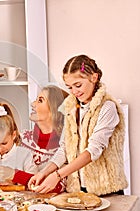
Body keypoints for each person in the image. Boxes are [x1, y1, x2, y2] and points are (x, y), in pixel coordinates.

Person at [28, 55, 128, 196]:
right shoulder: (70, 107)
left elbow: (93, 151)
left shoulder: (107, 107)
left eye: (78, 85)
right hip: (79, 189)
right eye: (70, 87)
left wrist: (57, 175)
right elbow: (64, 148)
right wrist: (44, 172)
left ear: (94, 77)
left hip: (107, 190)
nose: (74, 92)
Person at [0, 85, 68, 191]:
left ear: (55, 110)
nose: (32, 104)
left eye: (40, 100)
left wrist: (15, 175)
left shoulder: (64, 148)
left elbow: (58, 186)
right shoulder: (22, 137)